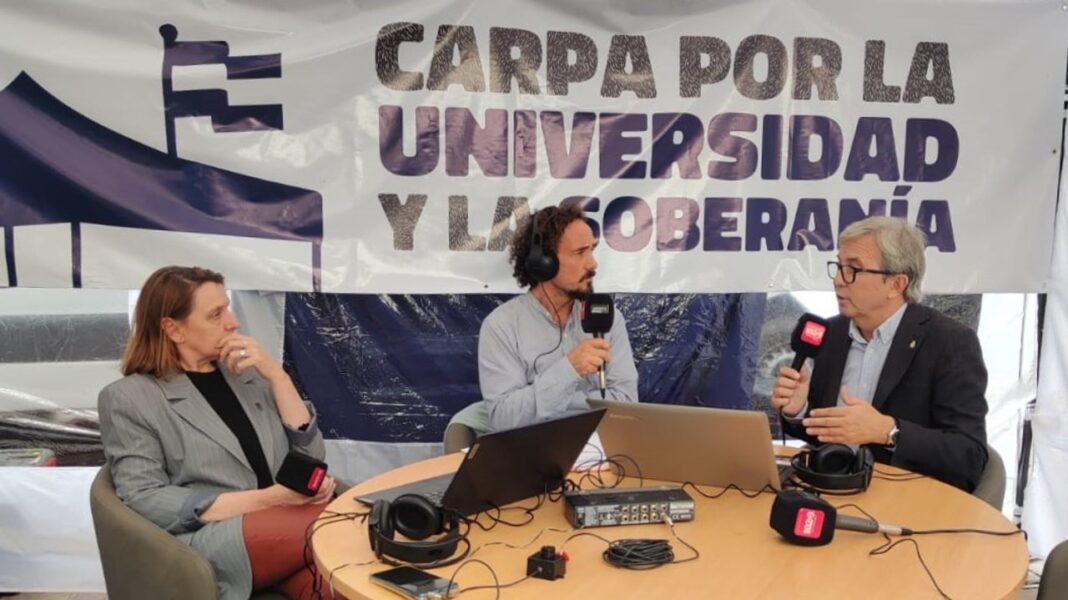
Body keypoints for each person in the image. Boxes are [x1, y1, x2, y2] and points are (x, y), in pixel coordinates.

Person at [98, 266, 340, 600]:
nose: (232, 322)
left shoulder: (245, 376)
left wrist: (278, 378)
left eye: (227, 307)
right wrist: (269, 500)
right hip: (211, 538)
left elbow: (311, 458)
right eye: (215, 314)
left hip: (283, 527)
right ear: (173, 329)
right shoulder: (130, 398)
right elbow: (143, 496)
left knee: (346, 585)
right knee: (344, 524)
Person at [771, 217, 988, 492]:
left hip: (908, 503)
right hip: (828, 490)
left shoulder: (950, 342)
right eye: (838, 266)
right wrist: (798, 411)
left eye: (853, 270)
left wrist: (889, 431)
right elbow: (821, 434)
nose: (838, 280)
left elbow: (969, 457)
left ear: (896, 284)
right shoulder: (830, 334)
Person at [478, 205, 640, 432]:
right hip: (533, 457)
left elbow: (626, 404)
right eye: (580, 253)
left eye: (592, 250)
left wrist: (546, 403)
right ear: (544, 261)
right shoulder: (501, 327)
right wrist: (569, 369)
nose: (593, 263)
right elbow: (505, 418)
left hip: (599, 453)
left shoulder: (608, 319)